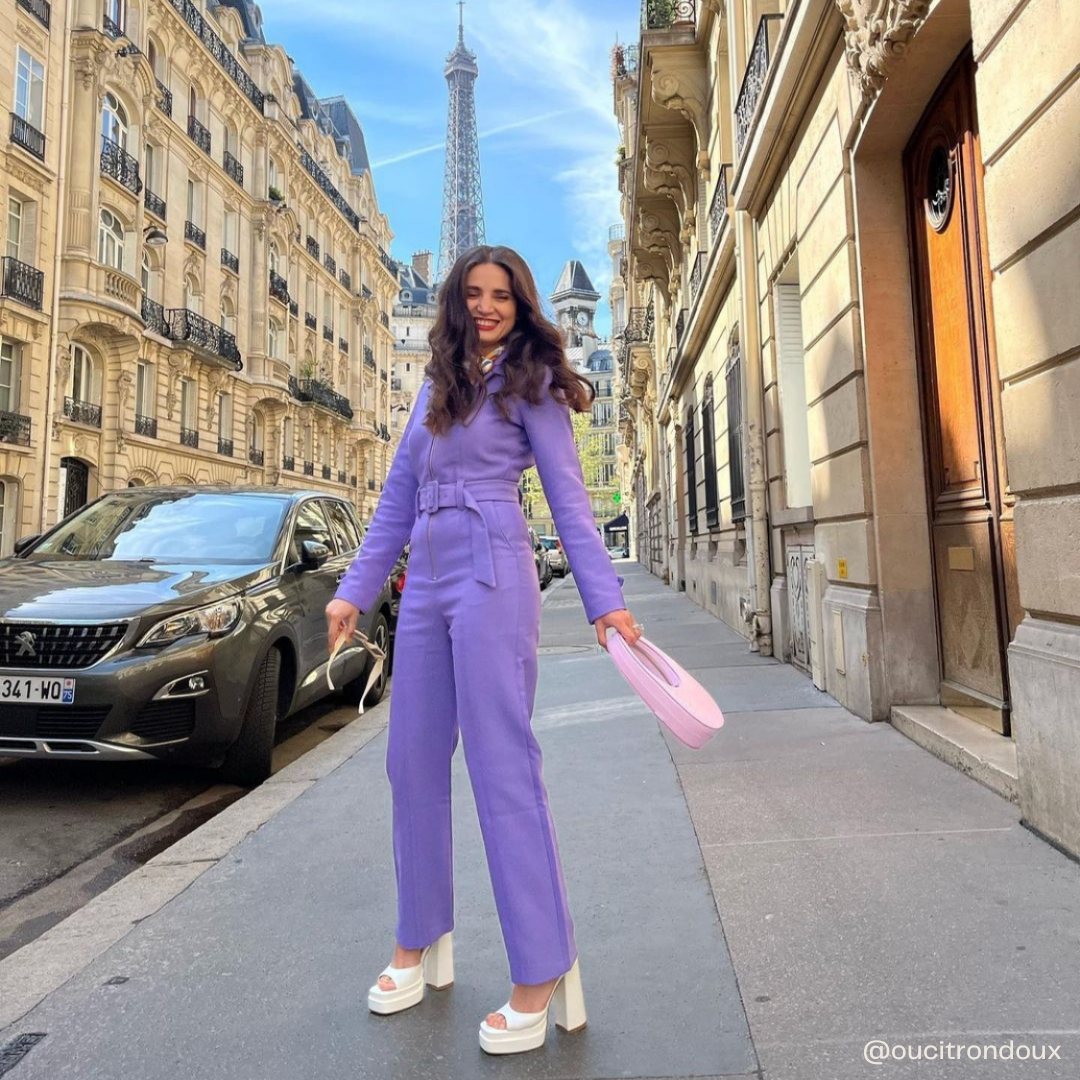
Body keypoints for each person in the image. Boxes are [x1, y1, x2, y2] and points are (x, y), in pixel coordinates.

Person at [325, 245, 641, 1056]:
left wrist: (605, 602)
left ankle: (540, 970)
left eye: (502, 294)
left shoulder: (531, 382)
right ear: (456, 304)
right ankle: (418, 939)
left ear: (521, 304)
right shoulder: (436, 385)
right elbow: (395, 498)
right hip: (424, 582)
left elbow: (571, 499)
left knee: (503, 769)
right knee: (411, 764)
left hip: (496, 570)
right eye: (475, 293)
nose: (490, 305)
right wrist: (354, 589)